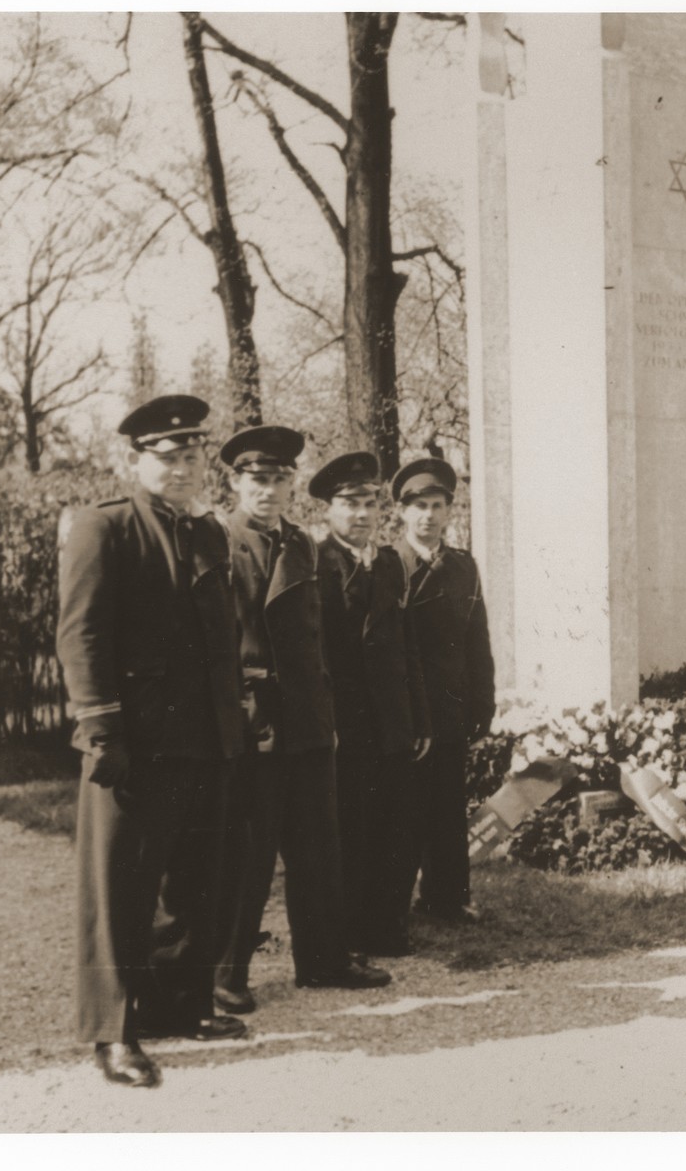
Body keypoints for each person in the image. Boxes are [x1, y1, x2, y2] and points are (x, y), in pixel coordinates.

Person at [57, 394, 247, 1088]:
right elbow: (81, 636)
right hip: (135, 743)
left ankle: (179, 1005)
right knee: (121, 892)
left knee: (195, 883)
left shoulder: (207, 532)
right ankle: (113, 1033)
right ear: (136, 461)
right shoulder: (103, 528)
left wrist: (234, 722)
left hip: (204, 740)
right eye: (168, 458)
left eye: (193, 456)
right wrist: (100, 728)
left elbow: (218, 640)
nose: (183, 468)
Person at [214, 426, 391, 1014]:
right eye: (256, 480)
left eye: (279, 479)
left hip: (308, 717)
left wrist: (326, 712)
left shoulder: (301, 545)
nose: (268, 490)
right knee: (249, 852)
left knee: (319, 844)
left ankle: (324, 959)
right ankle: (228, 972)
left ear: (292, 483)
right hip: (252, 718)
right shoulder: (216, 541)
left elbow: (315, 641)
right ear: (236, 482)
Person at [310, 452, 433, 957]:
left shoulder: (388, 563)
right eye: (348, 504)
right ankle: (352, 931)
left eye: (368, 504)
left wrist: (419, 716)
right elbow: (313, 653)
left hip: (392, 723)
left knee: (397, 828)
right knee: (352, 831)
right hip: (346, 726)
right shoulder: (315, 562)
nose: (361, 515)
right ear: (328, 510)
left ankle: (388, 927)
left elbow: (408, 648)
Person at [391, 458, 497, 924]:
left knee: (448, 808)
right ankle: (393, 903)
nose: (428, 516)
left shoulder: (462, 567)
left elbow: (478, 639)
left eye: (437, 506)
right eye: (418, 507)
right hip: (407, 710)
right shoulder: (387, 565)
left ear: (449, 512)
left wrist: (482, 702)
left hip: (450, 708)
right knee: (404, 811)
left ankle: (447, 898)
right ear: (401, 512)